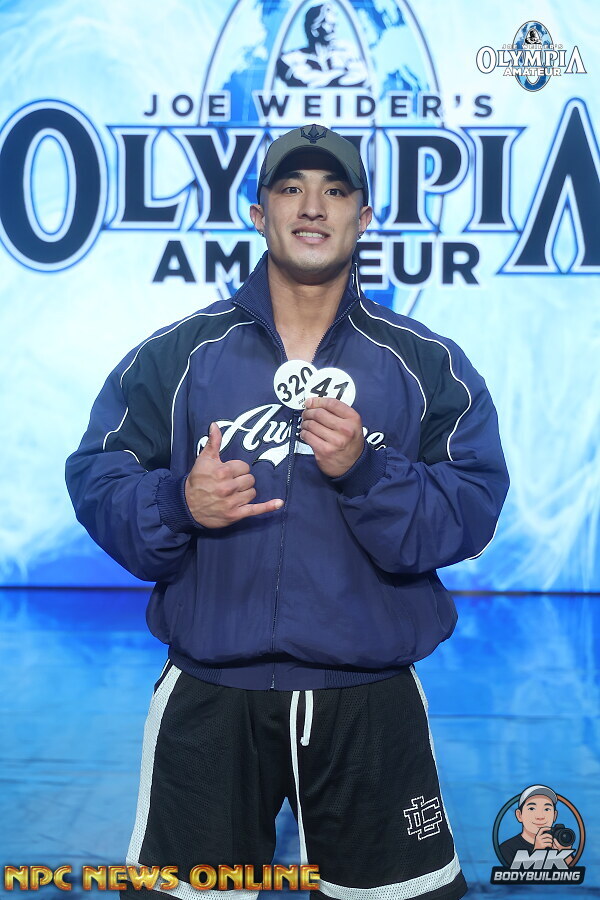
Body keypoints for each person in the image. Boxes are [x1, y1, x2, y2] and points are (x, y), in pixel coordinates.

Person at [65, 123, 509, 900]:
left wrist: (366, 471)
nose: (312, 207)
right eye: (290, 189)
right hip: (212, 695)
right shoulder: (179, 355)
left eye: (334, 190)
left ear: (363, 218)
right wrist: (178, 502)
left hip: (367, 700)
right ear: (259, 212)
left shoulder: (424, 364)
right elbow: (97, 474)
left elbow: (471, 508)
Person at [499, 785, 575, 867]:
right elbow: (515, 874)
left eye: (547, 809)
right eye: (532, 808)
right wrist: (537, 852)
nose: (540, 816)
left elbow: (575, 873)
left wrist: (565, 854)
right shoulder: (506, 849)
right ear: (519, 815)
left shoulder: (559, 843)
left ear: (554, 816)